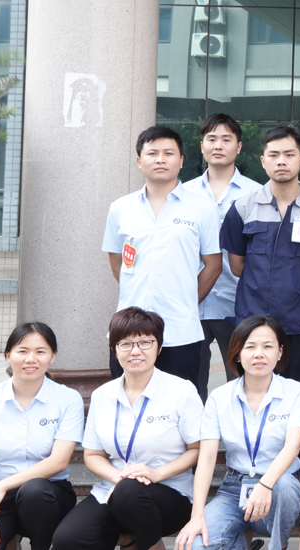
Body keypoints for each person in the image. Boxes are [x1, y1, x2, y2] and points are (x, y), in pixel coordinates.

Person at [221, 125, 300, 489]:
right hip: (254, 322)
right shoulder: (243, 208)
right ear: (262, 161)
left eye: (289, 154)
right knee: (255, 396)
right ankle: (250, 473)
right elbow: (237, 264)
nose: (281, 161)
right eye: (273, 155)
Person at [52, 307, 204, 550]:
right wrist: (118, 477)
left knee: (129, 494)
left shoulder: (181, 391)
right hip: (114, 489)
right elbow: (92, 454)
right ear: (114, 349)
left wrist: (157, 474)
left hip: (169, 493)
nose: (135, 351)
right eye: (126, 344)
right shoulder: (102, 395)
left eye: (145, 342)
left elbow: (197, 449)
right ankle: (129, 538)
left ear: (159, 347)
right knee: (67, 539)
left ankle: (150, 545)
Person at [175, 315, 300, 550]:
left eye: (267, 346)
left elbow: (293, 447)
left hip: (279, 490)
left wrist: (265, 485)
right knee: (195, 544)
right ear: (238, 354)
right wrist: (196, 516)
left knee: (285, 486)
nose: (259, 354)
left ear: (280, 352)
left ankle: (278, 546)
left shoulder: (297, 392)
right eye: (250, 347)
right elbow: (207, 458)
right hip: (234, 490)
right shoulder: (219, 397)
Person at [102, 125, 222, 385]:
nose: (160, 159)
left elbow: (214, 265)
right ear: (139, 161)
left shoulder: (202, 208)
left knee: (179, 401)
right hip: (129, 332)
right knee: (128, 397)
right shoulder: (120, 208)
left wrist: (186, 300)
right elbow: (116, 261)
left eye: (168, 153)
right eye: (152, 153)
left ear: (181, 161)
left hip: (180, 330)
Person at [0, 323, 84, 550]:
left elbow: (58, 461)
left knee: (35, 490)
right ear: (8, 355)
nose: (30, 359)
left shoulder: (68, 399)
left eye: (40, 351)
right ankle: (9, 538)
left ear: (53, 356)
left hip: (47, 495)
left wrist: (3, 485)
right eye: (22, 351)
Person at [183, 113, 262, 396]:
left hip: (237, 303)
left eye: (226, 139)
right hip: (191, 302)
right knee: (189, 384)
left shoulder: (258, 194)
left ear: (238, 147)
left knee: (240, 382)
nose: (218, 145)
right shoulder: (182, 193)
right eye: (211, 139)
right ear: (202, 145)